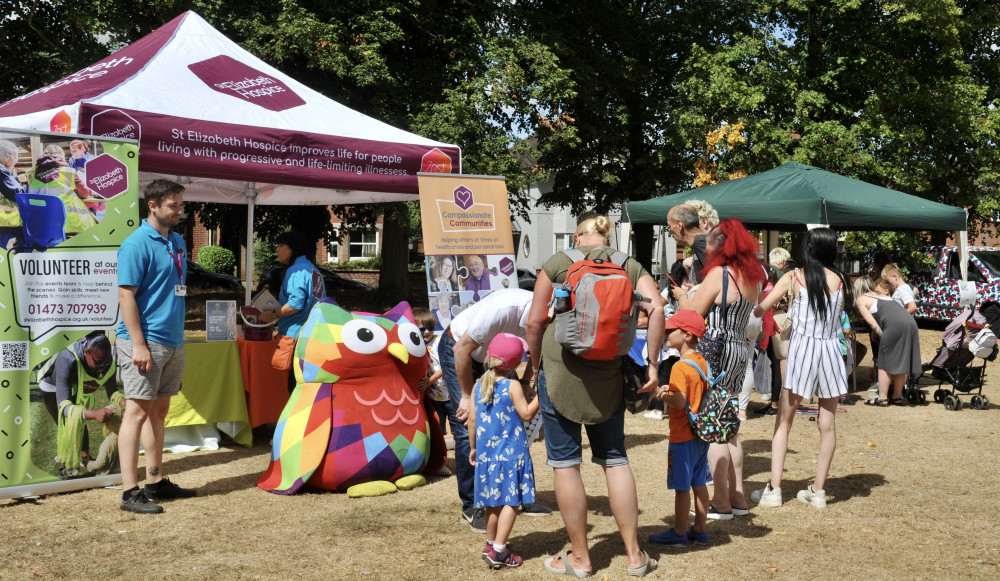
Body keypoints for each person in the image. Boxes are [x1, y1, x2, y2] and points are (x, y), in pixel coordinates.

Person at [525, 214, 662, 577]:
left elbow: (534, 321)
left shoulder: (558, 262)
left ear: (576, 237)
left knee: (566, 463)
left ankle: (582, 559)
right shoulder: (628, 265)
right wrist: (651, 365)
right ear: (607, 238)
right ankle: (635, 556)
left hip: (560, 370)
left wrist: (534, 366)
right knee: (615, 459)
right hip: (609, 374)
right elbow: (658, 307)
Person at [751, 227, 852, 509]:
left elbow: (761, 309)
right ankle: (818, 491)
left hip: (803, 351)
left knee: (784, 420)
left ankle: (774, 489)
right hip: (831, 350)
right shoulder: (841, 280)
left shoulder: (793, 277)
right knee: (827, 424)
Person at [673, 219, 764, 520]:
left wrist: (681, 297)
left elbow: (691, 316)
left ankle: (721, 501)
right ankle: (737, 497)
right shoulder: (753, 278)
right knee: (731, 426)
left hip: (715, 349)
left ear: (719, 245)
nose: (705, 244)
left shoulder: (718, 275)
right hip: (739, 350)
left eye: (710, 240)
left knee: (714, 429)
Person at [437, 288, 546, 533]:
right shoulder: (501, 310)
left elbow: (537, 353)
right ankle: (472, 504)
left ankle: (519, 496)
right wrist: (467, 396)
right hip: (460, 351)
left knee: (516, 424)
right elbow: (461, 350)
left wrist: (528, 383)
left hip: (498, 361)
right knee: (467, 427)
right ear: (530, 320)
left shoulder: (545, 315)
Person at [116, 179, 195, 514]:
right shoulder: (136, 244)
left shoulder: (176, 241)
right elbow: (125, 295)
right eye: (173, 205)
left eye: (180, 204)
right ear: (153, 205)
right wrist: (138, 344)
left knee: (159, 413)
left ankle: (155, 481)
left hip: (173, 341)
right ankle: (129, 492)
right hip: (145, 342)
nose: (180, 211)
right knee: (135, 413)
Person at [470, 333, 538, 569]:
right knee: (512, 502)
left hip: (486, 456)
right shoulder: (513, 385)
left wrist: (472, 448)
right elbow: (527, 413)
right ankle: (500, 551)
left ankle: (491, 543)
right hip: (511, 454)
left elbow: (471, 420)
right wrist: (542, 396)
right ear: (515, 363)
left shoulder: (478, 384)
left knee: (492, 502)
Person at [648, 310, 711, 548]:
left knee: (682, 487)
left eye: (671, 329)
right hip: (700, 434)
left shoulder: (679, 367)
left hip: (682, 434)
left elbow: (680, 401)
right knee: (699, 483)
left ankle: (679, 533)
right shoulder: (701, 361)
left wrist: (663, 393)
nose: (666, 332)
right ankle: (700, 530)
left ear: (687, 336)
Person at [39, 332, 120, 474]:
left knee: (80, 422)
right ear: (86, 352)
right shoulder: (67, 358)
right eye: (98, 363)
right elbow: (64, 407)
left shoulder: (105, 360)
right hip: (53, 388)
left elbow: (112, 391)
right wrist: (94, 413)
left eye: (105, 363)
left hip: (78, 385)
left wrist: (122, 401)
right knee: (69, 422)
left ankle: (85, 458)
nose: (102, 368)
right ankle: (70, 462)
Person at [259, 231, 324, 393]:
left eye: (281, 245)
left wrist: (272, 314)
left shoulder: (296, 271)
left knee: (296, 389)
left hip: (296, 338)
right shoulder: (312, 270)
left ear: (293, 248)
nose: (277, 250)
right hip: (314, 336)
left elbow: (295, 304)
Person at [854, 276, 921, 406]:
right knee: (902, 360)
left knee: (884, 361)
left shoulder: (861, 299)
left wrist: (882, 336)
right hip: (910, 323)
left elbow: (872, 323)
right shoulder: (883, 296)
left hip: (893, 326)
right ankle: (897, 397)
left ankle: (882, 397)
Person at [27, 152, 97, 234]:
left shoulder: (31, 173)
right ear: (60, 157)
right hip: (71, 225)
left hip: (39, 225)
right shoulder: (68, 171)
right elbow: (85, 193)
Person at [413, 307, 450, 440]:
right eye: (422, 329)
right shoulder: (416, 345)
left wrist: (429, 380)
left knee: (456, 423)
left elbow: (446, 366)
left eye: (430, 327)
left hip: (449, 392)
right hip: (434, 395)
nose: (427, 332)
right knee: (438, 426)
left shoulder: (439, 342)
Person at [667, 204, 709, 283]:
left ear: (680, 224)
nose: (670, 231)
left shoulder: (701, 243)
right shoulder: (699, 242)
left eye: (669, 226)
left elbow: (719, 278)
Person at [0, 139, 27, 251]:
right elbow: (13, 193)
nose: (16, 161)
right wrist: (26, 185)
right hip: (5, 223)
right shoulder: (1, 170)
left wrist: (16, 178)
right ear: (7, 156)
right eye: (15, 157)